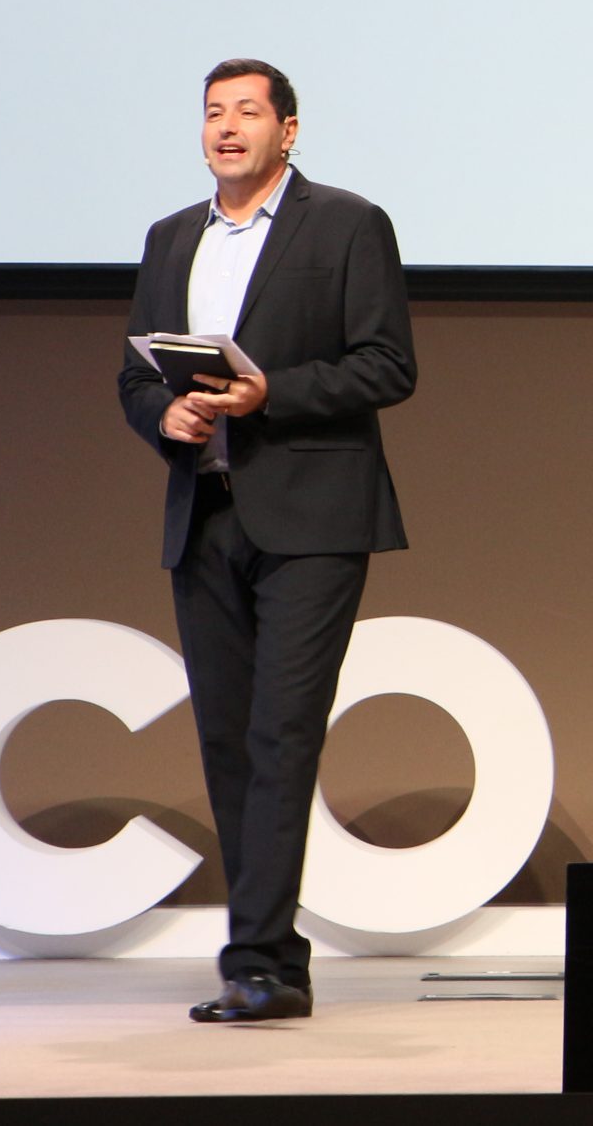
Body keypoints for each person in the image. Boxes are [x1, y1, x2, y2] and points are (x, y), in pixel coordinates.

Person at [117, 59, 417, 1023]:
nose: (227, 127)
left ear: (288, 130)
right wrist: (164, 415)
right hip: (204, 513)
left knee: (281, 732)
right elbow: (135, 375)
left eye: (248, 111)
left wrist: (268, 393)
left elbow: (387, 364)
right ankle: (275, 960)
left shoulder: (347, 224)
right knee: (228, 739)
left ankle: (254, 961)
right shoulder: (172, 237)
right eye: (213, 112)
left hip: (313, 518)